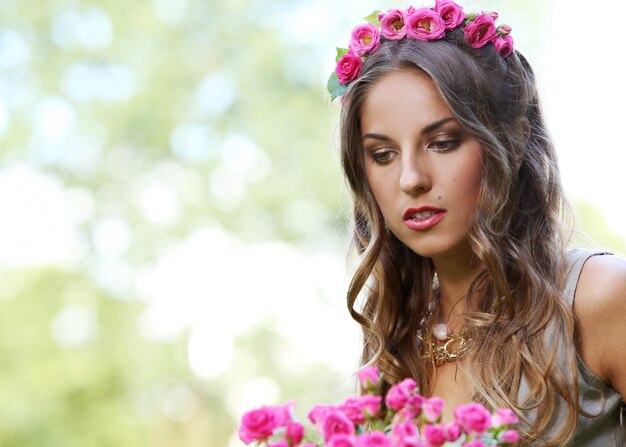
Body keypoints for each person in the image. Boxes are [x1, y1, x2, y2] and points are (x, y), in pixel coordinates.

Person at [328, 2, 626, 445]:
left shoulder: (598, 297)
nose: (411, 179)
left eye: (443, 142)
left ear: (514, 141)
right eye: (383, 154)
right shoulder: (396, 341)